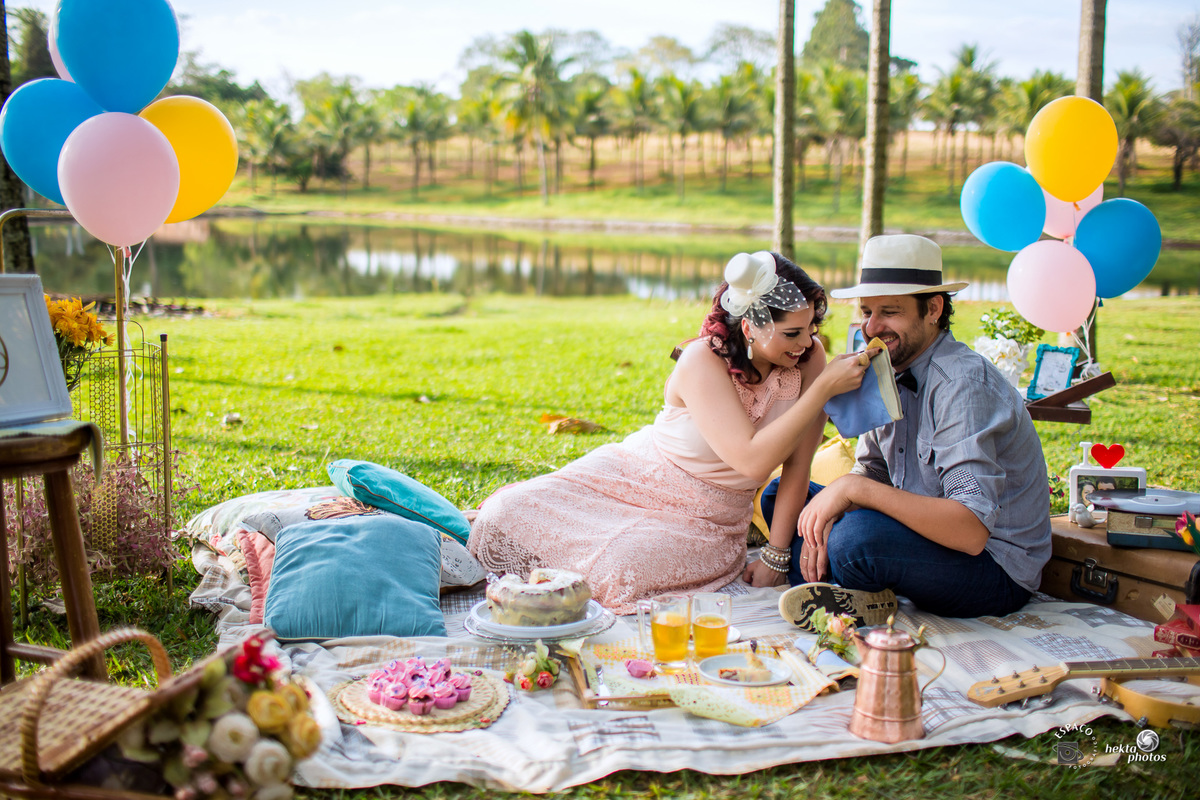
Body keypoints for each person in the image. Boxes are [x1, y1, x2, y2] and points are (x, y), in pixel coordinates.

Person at [467, 251, 874, 613]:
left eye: (812, 329)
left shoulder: (810, 359)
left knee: (620, 568)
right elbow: (752, 457)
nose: (807, 342)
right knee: (504, 514)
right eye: (792, 333)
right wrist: (822, 389)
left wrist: (775, 557)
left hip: (708, 520)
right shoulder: (702, 360)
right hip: (631, 475)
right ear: (749, 327)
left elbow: (795, 468)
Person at [763, 234, 1052, 627]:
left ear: (933, 309)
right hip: (921, 536)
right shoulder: (887, 369)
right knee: (782, 497)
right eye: (867, 311)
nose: (872, 327)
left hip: (992, 568)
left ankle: (843, 580)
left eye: (890, 312)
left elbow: (970, 530)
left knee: (855, 541)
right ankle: (852, 586)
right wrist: (841, 502)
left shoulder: (961, 384)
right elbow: (875, 472)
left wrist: (852, 492)